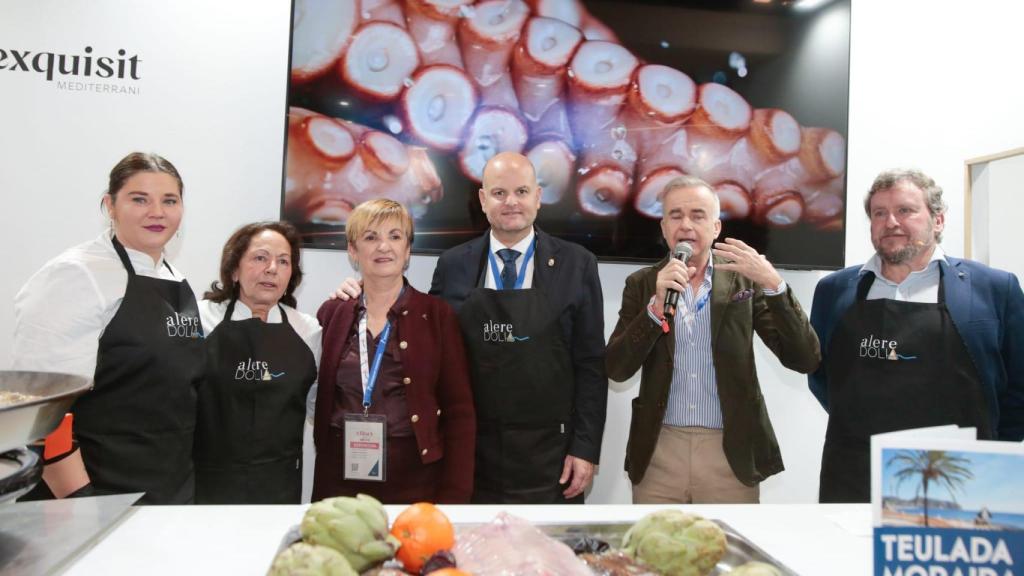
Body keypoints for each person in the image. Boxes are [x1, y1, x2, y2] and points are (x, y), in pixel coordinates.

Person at [336, 152, 608, 503]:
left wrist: (585, 447)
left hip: (550, 453)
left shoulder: (577, 264)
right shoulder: (453, 264)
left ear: (538, 197)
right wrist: (365, 293)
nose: (511, 202)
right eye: (499, 193)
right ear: (483, 200)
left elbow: (591, 363)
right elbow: (423, 331)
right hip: (470, 450)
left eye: (521, 191)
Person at [809, 169, 1024, 503]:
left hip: (960, 475)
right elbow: (821, 376)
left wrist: (990, 451)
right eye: (879, 213)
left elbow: (1018, 386)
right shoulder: (834, 290)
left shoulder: (994, 288)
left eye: (905, 210)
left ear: (938, 220)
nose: (891, 222)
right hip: (854, 472)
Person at [606, 175, 820, 504]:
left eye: (697, 215)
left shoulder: (744, 282)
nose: (686, 225)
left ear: (716, 227)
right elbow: (616, 369)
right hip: (659, 451)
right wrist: (655, 310)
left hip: (731, 453)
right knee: (654, 539)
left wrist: (774, 286)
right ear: (663, 227)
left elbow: (804, 358)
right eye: (675, 215)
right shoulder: (643, 284)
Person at [13, 152, 204, 503]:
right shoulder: (76, 274)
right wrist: (80, 500)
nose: (157, 212)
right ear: (110, 205)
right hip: (96, 490)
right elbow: (41, 407)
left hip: (168, 486)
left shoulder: (175, 278)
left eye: (169, 200)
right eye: (139, 199)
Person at [312, 199, 476, 503]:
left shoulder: (437, 315)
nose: (383, 246)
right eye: (370, 237)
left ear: (408, 249)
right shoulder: (332, 313)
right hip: (339, 477)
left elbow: (460, 411)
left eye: (395, 236)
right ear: (353, 250)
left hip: (416, 479)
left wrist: (455, 494)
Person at [194, 221, 321, 504]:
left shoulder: (309, 331)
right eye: (260, 258)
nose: (272, 269)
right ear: (234, 270)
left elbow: (317, 406)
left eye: (283, 261)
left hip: (279, 483)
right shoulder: (199, 319)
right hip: (208, 482)